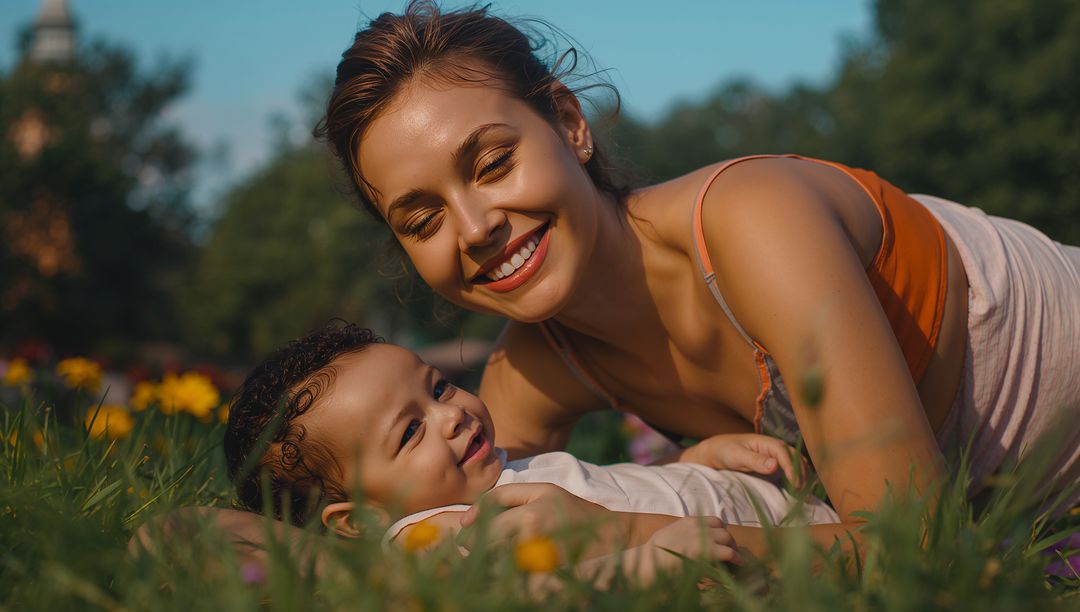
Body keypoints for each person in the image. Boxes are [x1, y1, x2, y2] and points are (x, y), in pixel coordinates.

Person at [306, 0, 1080, 556]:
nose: (474, 228)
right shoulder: (540, 366)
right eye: (422, 219)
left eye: (494, 163)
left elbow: (914, 544)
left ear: (570, 124)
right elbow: (451, 537)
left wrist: (627, 533)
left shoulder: (752, 221)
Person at [222, 323, 839, 582]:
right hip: (787, 557)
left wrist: (693, 465)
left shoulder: (499, 479)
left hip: (798, 517)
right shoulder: (437, 537)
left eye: (437, 387)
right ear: (359, 520)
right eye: (410, 433)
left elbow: (610, 495)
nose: (451, 414)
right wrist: (641, 568)